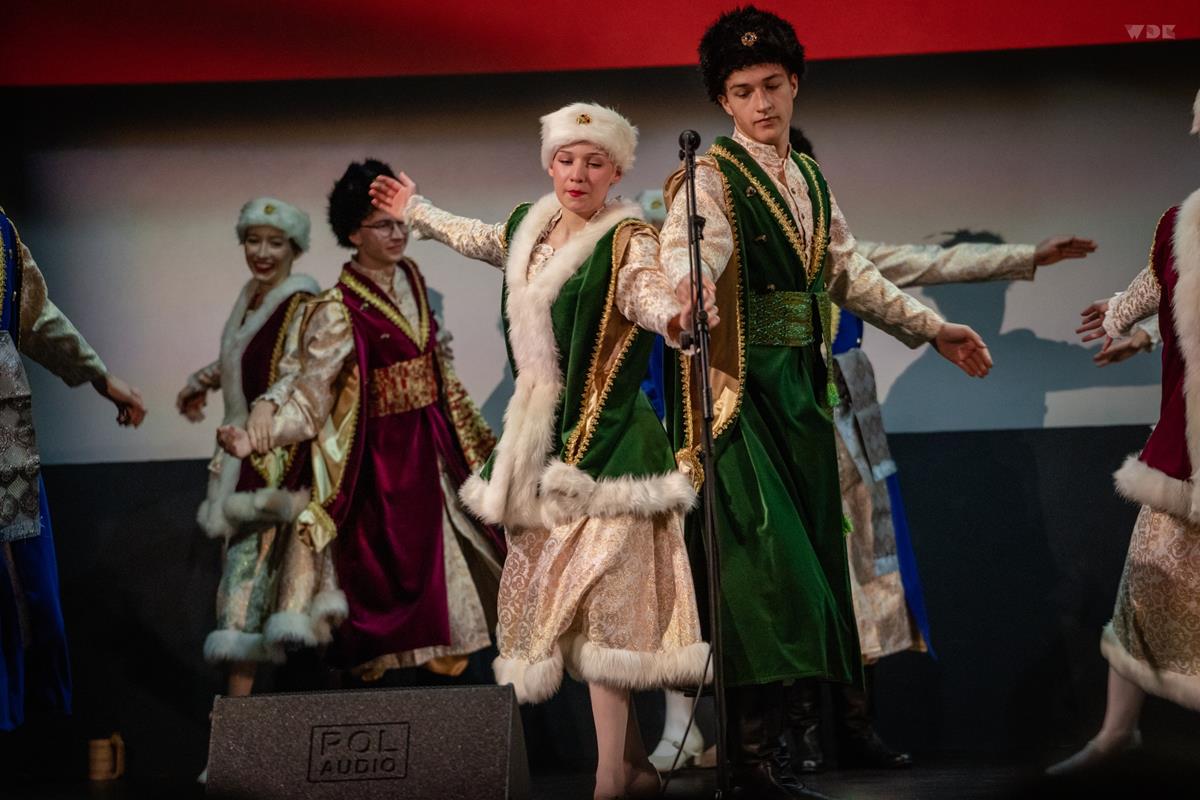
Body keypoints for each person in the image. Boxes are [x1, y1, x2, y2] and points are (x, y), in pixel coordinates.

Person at [658, 8, 991, 798]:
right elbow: (687, 248)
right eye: (744, 91)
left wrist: (932, 327)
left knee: (807, 575)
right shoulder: (710, 177)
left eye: (772, 85)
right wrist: (686, 291)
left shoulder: (808, 178)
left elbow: (848, 273)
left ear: (795, 84)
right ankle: (749, 759)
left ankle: (767, 756)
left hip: (803, 394)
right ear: (724, 103)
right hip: (742, 398)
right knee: (761, 573)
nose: (761, 103)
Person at [369, 102, 712, 800]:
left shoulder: (628, 239)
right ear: (549, 164)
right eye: (566, 159)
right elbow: (474, 236)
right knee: (576, 614)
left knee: (606, 604)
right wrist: (418, 211)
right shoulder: (530, 226)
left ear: (615, 172)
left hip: (610, 447)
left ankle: (609, 776)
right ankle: (633, 765)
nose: (578, 173)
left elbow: (647, 294)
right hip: (540, 446)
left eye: (594, 162)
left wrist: (677, 316)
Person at [784, 128, 1099, 772]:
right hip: (783, 431)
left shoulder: (841, 256)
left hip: (852, 440)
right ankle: (798, 735)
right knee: (795, 582)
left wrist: (1026, 256)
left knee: (868, 575)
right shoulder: (742, 266)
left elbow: (930, 262)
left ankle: (854, 728)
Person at [218, 160, 503, 686]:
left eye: (401, 223)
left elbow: (438, 365)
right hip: (376, 463)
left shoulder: (413, 279)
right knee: (378, 582)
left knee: (449, 567)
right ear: (354, 234)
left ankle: (441, 682)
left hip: (428, 447)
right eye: (382, 225)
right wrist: (262, 434)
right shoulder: (337, 308)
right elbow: (310, 398)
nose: (397, 234)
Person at [1048, 89, 1200, 776]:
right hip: (1184, 449)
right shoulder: (1182, 225)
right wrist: (1127, 323)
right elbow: (1158, 292)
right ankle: (1116, 735)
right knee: (1144, 582)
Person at [178, 197, 343, 704]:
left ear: (294, 249)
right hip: (239, 456)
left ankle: (235, 722)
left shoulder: (301, 301)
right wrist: (201, 382)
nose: (263, 252)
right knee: (249, 582)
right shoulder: (253, 296)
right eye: (254, 241)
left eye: (275, 243)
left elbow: (299, 372)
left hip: (274, 459)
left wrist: (266, 411)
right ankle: (238, 725)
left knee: (251, 584)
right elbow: (242, 356)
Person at [0, 207, 146, 734]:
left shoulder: (1, 230)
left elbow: (33, 314)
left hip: (4, 439)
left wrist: (98, 376)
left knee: (22, 591)